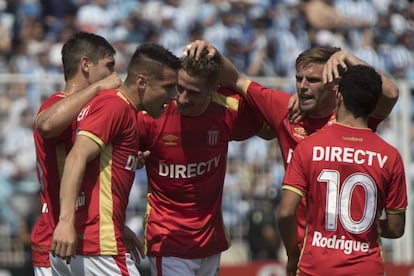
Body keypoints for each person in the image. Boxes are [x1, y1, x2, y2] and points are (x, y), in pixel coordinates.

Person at [187, 40, 399, 250]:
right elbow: (236, 80)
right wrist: (211, 52)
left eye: (313, 80)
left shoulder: (355, 117)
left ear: (335, 84)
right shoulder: (284, 109)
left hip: (353, 248)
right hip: (305, 253)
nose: (303, 87)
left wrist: (350, 58)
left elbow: (390, 94)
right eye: (299, 79)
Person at [49, 43, 181, 275]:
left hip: (88, 245)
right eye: (168, 87)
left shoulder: (124, 111)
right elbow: (76, 157)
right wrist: (65, 222)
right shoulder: (115, 105)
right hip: (99, 248)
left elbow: (96, 174)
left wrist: (118, 227)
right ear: (141, 82)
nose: (173, 97)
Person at [137, 47, 266, 275]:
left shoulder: (228, 110)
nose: (182, 98)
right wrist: (131, 156)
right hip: (168, 241)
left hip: (210, 241)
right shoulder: (153, 114)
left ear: (213, 90)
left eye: (193, 92)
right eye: (180, 88)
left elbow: (271, 129)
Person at [277, 64, 406, 275]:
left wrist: (293, 254)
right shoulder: (390, 156)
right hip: (366, 268)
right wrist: (363, 227)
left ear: (339, 97)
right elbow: (396, 228)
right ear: (374, 106)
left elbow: (285, 213)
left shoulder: (309, 147)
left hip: (315, 268)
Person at [31, 31, 133, 276]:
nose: (114, 75)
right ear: (86, 65)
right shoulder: (56, 103)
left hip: (71, 239)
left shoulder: (91, 110)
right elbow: (47, 124)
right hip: (55, 238)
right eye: (108, 66)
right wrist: (99, 87)